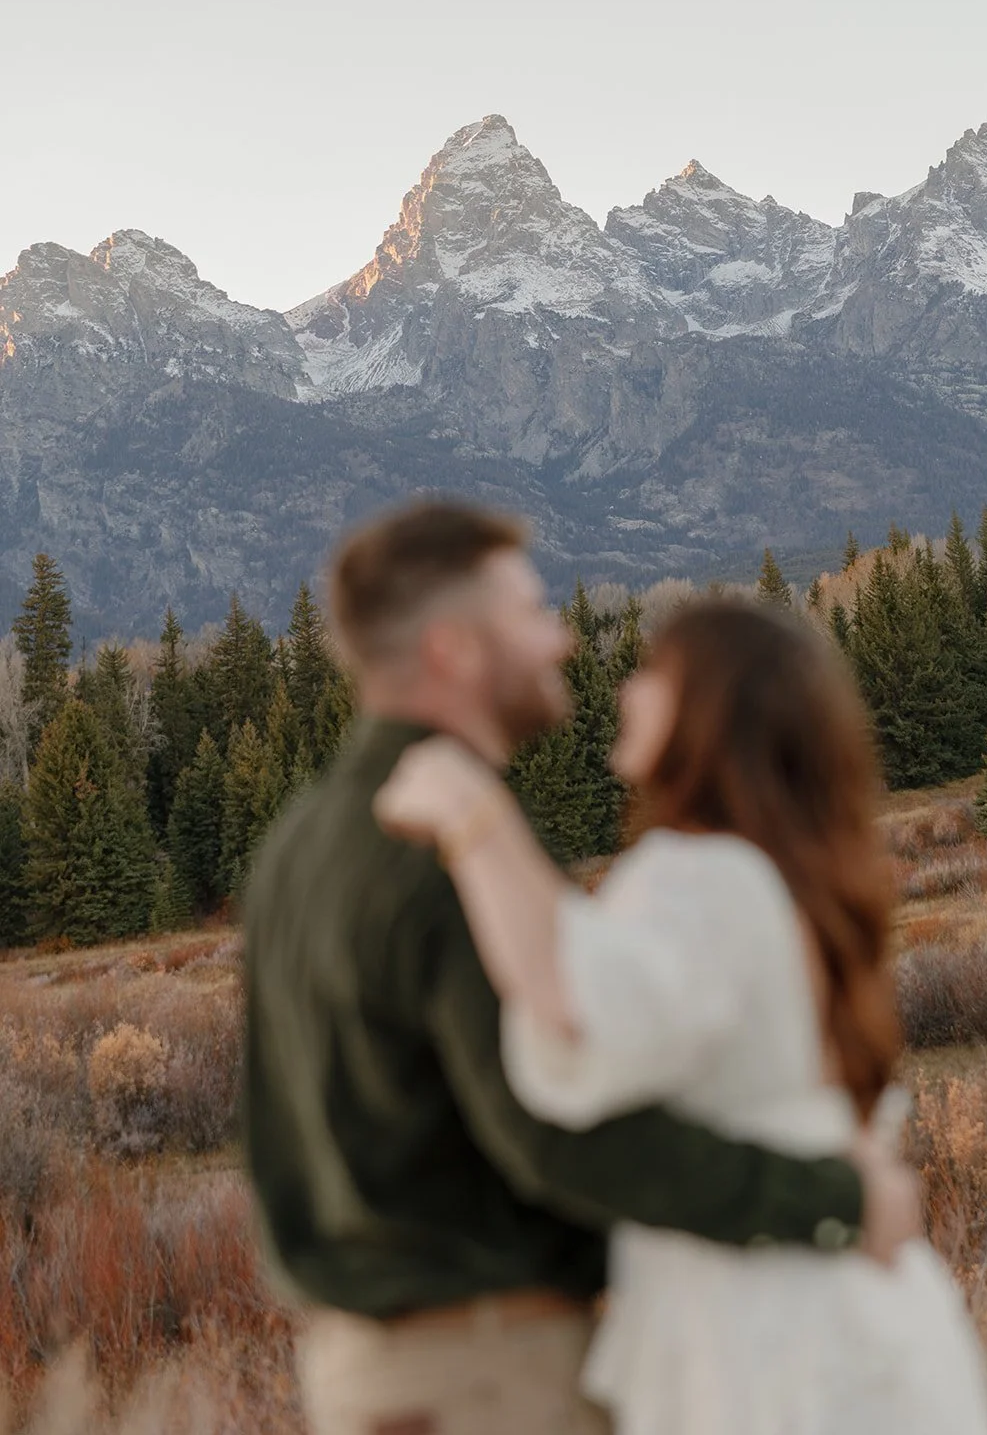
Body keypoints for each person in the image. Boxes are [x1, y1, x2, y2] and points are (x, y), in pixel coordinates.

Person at [242, 500, 920, 1435]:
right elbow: (555, 1133)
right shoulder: (439, 845)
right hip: (492, 1373)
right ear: (452, 650)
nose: (560, 639)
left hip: (366, 1371)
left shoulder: (297, 841)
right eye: (529, 611)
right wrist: (835, 1198)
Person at [375, 594, 987, 1435]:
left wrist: (474, 819)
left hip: (761, 1330)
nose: (626, 693)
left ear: (712, 710)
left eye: (653, 675)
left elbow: (576, 1008)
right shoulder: (784, 873)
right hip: (848, 1308)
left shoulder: (699, 876)